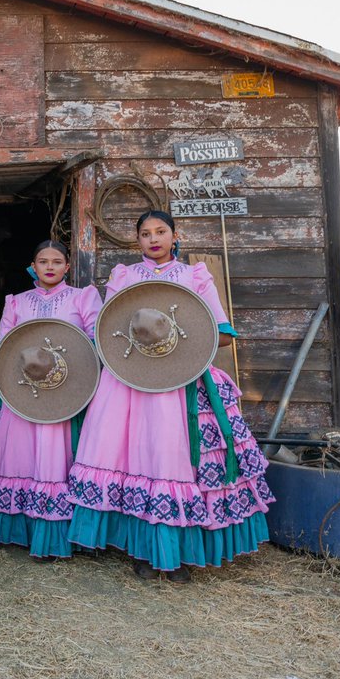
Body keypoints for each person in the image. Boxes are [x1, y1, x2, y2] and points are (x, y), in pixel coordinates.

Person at [66, 210, 273, 581]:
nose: (153, 239)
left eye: (160, 231)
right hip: (129, 378)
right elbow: (109, 330)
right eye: (145, 233)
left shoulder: (194, 275)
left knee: (171, 459)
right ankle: (143, 550)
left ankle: (179, 550)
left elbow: (221, 334)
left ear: (175, 236)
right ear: (138, 240)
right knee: (135, 456)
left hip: (180, 381)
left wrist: (181, 346)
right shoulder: (124, 276)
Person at [0, 240, 103, 559]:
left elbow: (95, 343)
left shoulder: (83, 297)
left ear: (67, 266)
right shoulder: (16, 302)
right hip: (23, 390)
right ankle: (16, 530)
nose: (49, 267)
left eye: (56, 262)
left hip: (67, 392)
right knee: (19, 455)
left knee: (54, 455)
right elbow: (5, 349)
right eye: (43, 261)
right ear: (33, 266)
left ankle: (55, 533)